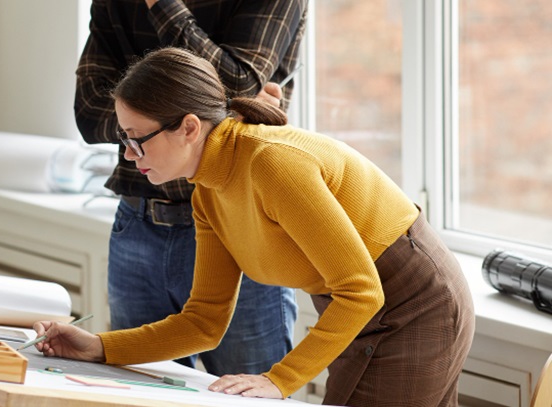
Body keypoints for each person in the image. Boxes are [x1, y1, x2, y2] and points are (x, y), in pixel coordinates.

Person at [39, 47, 475, 405]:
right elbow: (204, 321)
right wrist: (99, 347)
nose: (129, 155)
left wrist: (279, 379)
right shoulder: (207, 189)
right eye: (124, 140)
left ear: (189, 127)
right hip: (362, 304)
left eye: (137, 138)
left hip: (415, 301)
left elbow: (361, 290)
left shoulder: (271, 164)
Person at [75, 0, 307, 375]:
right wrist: (225, 109)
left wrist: (162, 5)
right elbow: (88, 114)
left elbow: (240, 85)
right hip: (139, 224)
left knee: (247, 394)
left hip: (239, 222)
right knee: (136, 393)